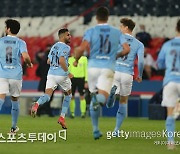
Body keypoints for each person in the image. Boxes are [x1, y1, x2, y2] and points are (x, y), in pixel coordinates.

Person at [74, 6, 130, 139]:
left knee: (94, 98)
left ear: (96, 17)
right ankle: (101, 98)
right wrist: (116, 55)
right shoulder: (117, 32)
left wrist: (76, 59)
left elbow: (81, 49)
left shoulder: (90, 31)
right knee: (102, 100)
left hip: (92, 67)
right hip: (107, 67)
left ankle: (95, 129)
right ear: (108, 17)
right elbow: (127, 49)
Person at [106, 18, 144, 135]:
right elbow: (141, 62)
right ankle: (116, 130)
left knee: (109, 104)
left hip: (116, 71)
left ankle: (112, 95)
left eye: (121, 26)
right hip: (128, 74)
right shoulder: (139, 44)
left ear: (126, 27)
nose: (120, 28)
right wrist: (140, 75)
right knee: (123, 101)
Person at [31, 28, 73, 129]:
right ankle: (62, 117)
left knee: (47, 95)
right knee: (68, 95)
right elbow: (61, 60)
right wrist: (68, 72)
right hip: (61, 74)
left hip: (51, 74)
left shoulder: (54, 46)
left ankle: (37, 104)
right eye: (68, 35)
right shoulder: (66, 47)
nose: (70, 36)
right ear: (62, 36)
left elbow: (48, 61)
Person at [0, 19, 33, 133]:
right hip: (15, 75)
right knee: (15, 99)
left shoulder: (1, 41)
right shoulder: (21, 42)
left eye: (5, 27)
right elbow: (26, 56)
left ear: (8, 29)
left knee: (0, 98)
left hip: (2, 74)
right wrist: (29, 64)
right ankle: (13, 128)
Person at [157, 19, 180, 150]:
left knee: (170, 113)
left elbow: (159, 64)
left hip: (170, 81)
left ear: (176, 29)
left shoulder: (167, 45)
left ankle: (171, 142)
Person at [35, 45, 54, 117]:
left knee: (47, 97)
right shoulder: (52, 62)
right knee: (49, 97)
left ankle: (41, 110)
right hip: (51, 81)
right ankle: (41, 110)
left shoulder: (42, 61)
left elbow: (37, 73)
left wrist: (43, 76)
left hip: (43, 82)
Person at [68, 54, 88, 118]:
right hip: (72, 79)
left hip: (81, 79)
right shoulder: (70, 59)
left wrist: (86, 81)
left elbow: (86, 70)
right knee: (72, 96)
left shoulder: (84, 59)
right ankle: (72, 113)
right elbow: (68, 70)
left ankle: (83, 113)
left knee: (82, 96)